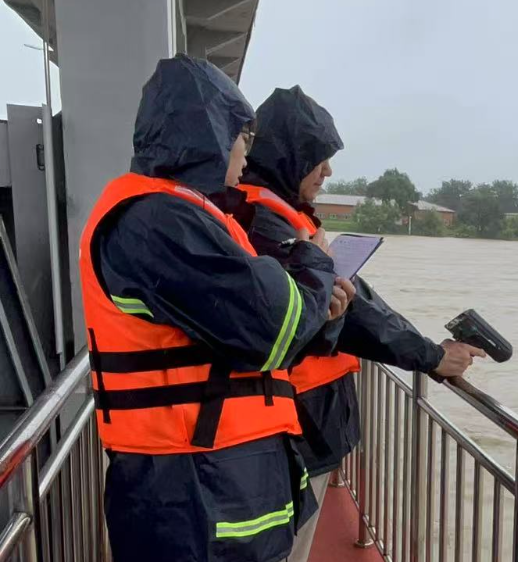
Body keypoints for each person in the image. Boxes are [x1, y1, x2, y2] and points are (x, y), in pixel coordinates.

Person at [80, 56, 354, 562]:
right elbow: (272, 327)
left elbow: (264, 321)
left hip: (216, 487)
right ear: (207, 132)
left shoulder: (183, 215)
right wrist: (314, 258)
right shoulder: (159, 221)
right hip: (195, 497)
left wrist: (315, 302)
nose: (247, 156)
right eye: (243, 137)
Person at [235, 86, 485, 560]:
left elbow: (354, 298)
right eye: (319, 157)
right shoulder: (265, 224)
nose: (328, 171)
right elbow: (348, 315)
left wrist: (429, 351)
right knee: (285, 547)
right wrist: (432, 356)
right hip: (293, 423)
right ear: (291, 155)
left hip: (303, 419)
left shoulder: (281, 217)